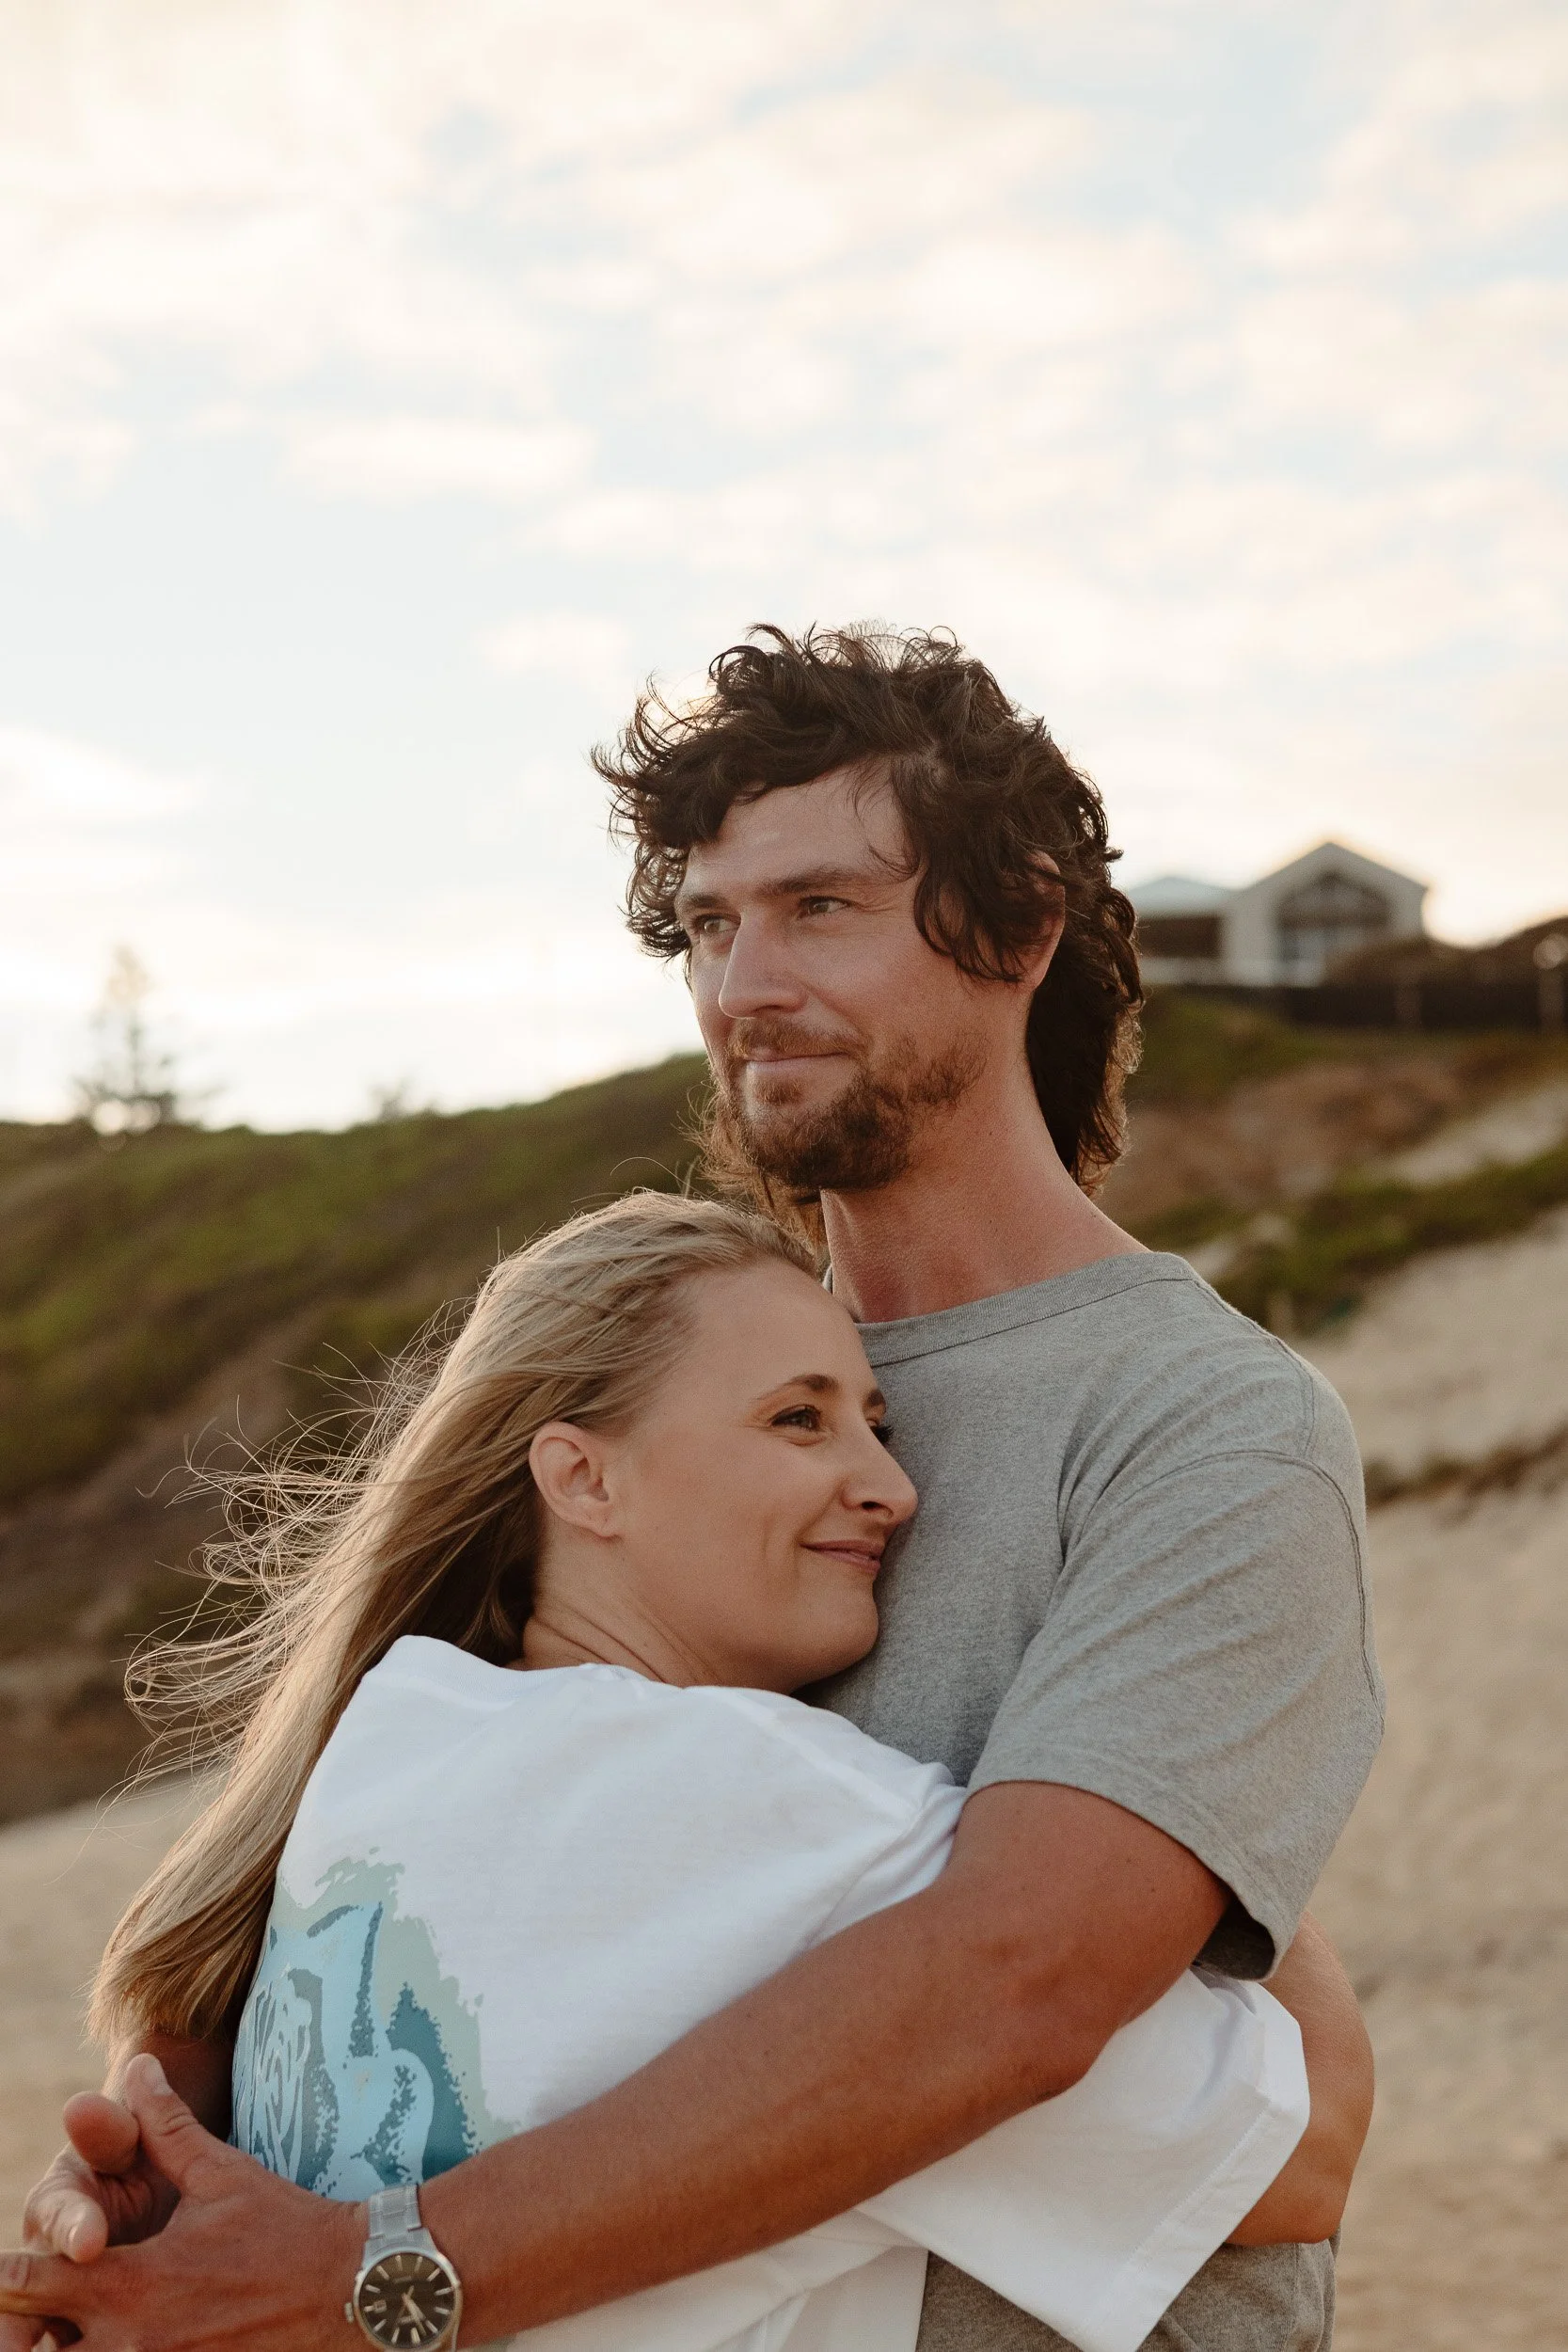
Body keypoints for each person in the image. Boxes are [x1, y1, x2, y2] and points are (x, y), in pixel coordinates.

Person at [2, 626, 1381, 2352]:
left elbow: (1024, 1990)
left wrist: (376, 2276)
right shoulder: (687, 1361)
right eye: (708, 926)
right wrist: (174, 2169)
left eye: (820, 907)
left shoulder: (1198, 1419)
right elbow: (383, 1855)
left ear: (1021, 927)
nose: (744, 987)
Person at [51, 1191, 1335, 2352]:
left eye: (876, 1425)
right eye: (798, 1419)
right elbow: (1308, 2145)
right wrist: (1166, 1745)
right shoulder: (776, 1817)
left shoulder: (391, 1735)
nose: (890, 1487)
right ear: (582, 1478)